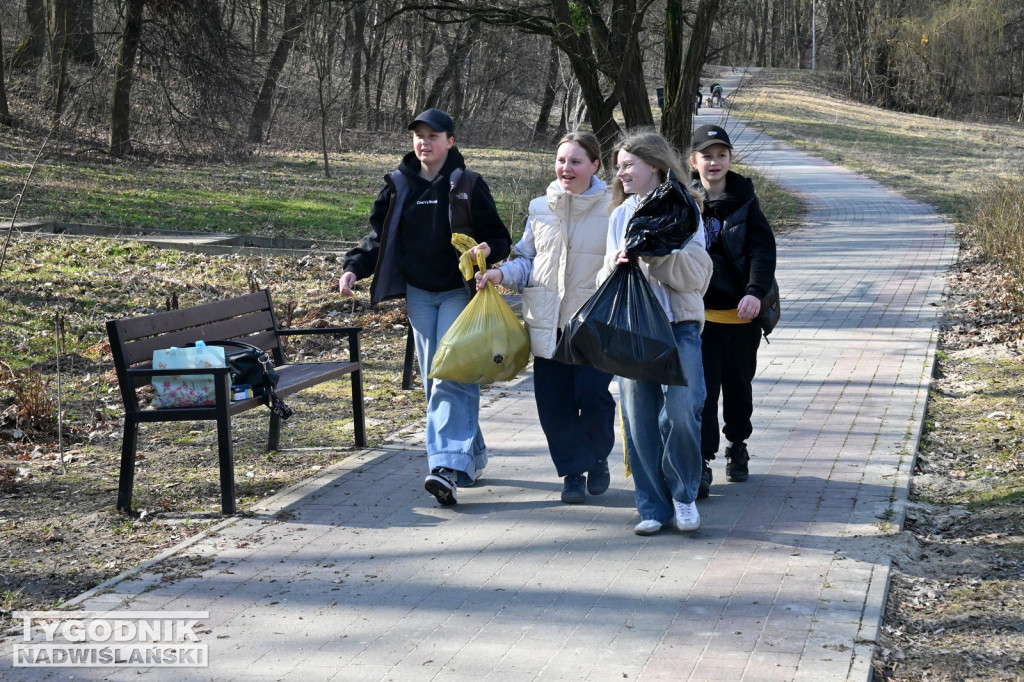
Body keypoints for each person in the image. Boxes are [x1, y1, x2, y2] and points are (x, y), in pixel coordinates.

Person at [338, 108, 511, 506]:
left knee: (452, 372)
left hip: (457, 291)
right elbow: (378, 239)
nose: (424, 142)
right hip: (419, 292)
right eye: (419, 135)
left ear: (450, 142)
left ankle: (445, 467)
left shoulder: (466, 183)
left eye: (434, 135)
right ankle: (470, 455)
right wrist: (353, 269)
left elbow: (499, 236)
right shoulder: (398, 185)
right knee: (437, 378)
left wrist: (489, 249)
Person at [476, 132, 615, 505]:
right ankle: (572, 472)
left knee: (592, 394)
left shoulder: (614, 208)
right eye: (561, 161)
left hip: (594, 324)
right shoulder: (540, 208)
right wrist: (499, 275)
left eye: (575, 161)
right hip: (547, 321)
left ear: (595, 165)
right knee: (554, 403)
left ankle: (598, 456)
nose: (566, 168)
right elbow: (526, 260)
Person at [602, 130, 712, 536]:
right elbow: (603, 277)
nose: (622, 174)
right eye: (619, 168)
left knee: (682, 412)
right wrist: (615, 265)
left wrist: (655, 254)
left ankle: (683, 494)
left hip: (679, 326)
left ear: (656, 166)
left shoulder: (687, 210)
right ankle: (652, 505)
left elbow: (697, 276)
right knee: (638, 419)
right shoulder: (617, 216)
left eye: (629, 165)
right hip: (633, 328)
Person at [687, 124, 777, 499]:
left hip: (740, 317)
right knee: (703, 392)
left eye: (721, 155)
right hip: (700, 317)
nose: (714, 162)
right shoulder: (682, 201)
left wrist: (756, 294)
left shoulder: (746, 201)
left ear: (729, 160)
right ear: (693, 161)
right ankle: (703, 461)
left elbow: (762, 252)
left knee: (738, 388)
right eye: (706, 155)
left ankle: (737, 445)